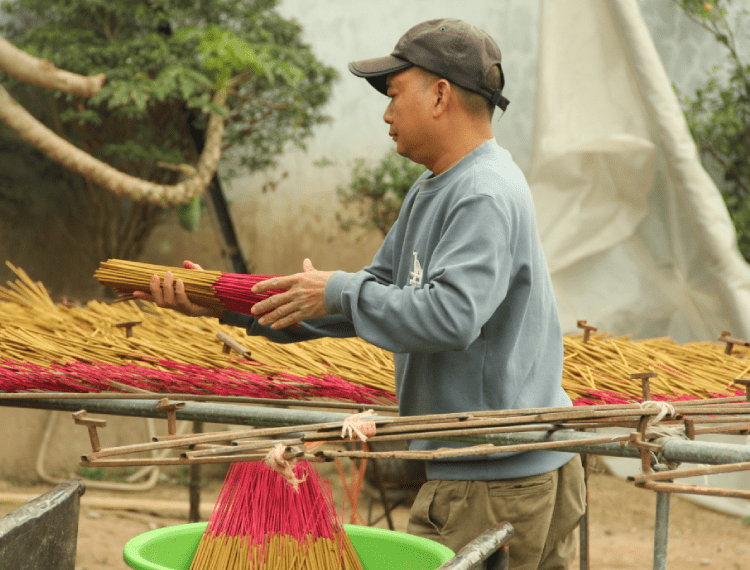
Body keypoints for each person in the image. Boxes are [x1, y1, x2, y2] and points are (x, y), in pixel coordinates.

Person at [136, 18, 586, 570]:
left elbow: (450, 316)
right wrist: (226, 302)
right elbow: (364, 298)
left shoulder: (482, 191)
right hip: (499, 466)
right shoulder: (435, 187)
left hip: (492, 474)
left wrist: (340, 291)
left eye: (395, 94)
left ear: (440, 94)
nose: (386, 113)